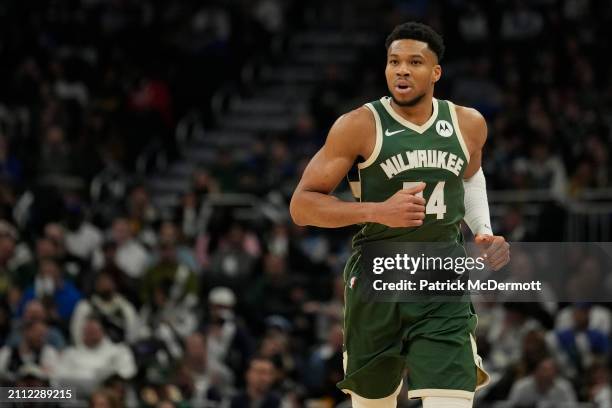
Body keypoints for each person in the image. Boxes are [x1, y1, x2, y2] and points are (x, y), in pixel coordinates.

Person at [290, 22, 510, 408]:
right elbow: (302, 206)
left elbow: (472, 176)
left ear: (435, 72)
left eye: (414, 62)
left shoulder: (467, 123)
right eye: (394, 62)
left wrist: (483, 230)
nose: (402, 70)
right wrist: (378, 210)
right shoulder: (358, 125)